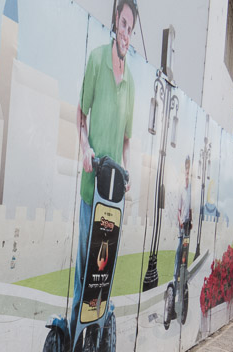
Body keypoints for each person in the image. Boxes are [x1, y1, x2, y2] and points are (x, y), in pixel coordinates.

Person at [72, 0, 137, 332]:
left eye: (131, 28)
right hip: (91, 186)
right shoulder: (97, 59)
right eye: (123, 25)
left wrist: (129, 171)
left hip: (114, 195)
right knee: (85, 271)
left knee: (104, 272)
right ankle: (73, 339)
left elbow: (127, 139)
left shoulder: (132, 83)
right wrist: (85, 148)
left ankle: (94, 341)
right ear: (115, 22)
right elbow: (81, 115)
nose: (126, 33)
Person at [174, 156, 192, 282]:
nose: (187, 172)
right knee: (180, 248)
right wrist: (180, 221)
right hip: (182, 225)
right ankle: (176, 275)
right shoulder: (181, 189)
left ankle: (183, 270)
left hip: (187, 224)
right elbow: (178, 210)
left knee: (186, 248)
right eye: (186, 168)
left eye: (189, 169)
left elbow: (190, 208)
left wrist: (191, 221)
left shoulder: (190, 189)